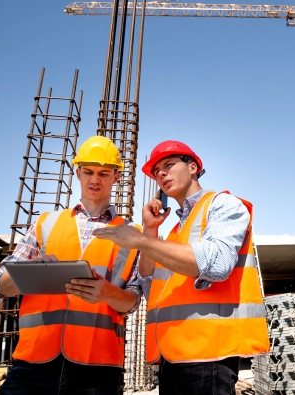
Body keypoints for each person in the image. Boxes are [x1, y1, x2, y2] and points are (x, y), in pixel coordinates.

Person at [92, 140, 270, 395]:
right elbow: (147, 278)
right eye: (157, 172)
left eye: (168, 165)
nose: (161, 174)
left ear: (194, 167)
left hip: (209, 356)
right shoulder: (176, 232)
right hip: (172, 358)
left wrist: (141, 240)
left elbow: (218, 264)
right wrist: (150, 231)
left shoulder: (222, 204)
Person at [0, 135, 141, 395]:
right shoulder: (46, 224)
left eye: (104, 173)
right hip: (34, 361)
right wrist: (31, 271)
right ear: (78, 173)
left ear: (116, 177)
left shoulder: (131, 234)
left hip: (97, 367)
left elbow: (133, 302)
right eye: (88, 172)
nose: (95, 180)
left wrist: (107, 292)